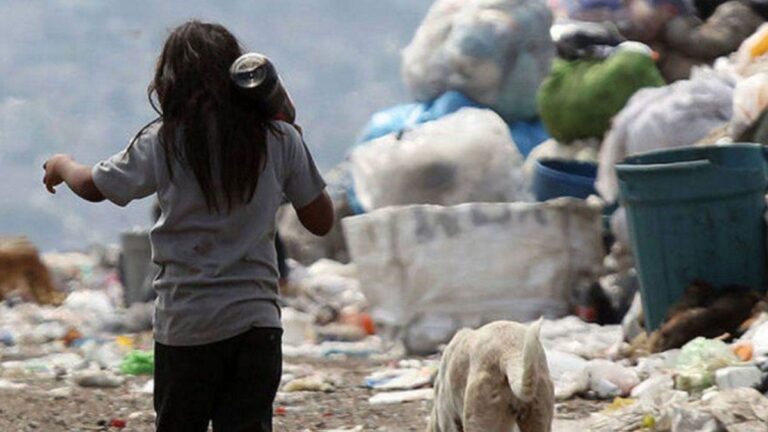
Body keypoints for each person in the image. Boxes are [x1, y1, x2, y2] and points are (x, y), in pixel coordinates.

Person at [42, 20, 333, 432]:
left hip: (187, 327)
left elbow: (94, 186)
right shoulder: (279, 138)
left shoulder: (164, 140)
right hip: (256, 325)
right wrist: (293, 140)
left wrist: (61, 165)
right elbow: (320, 221)